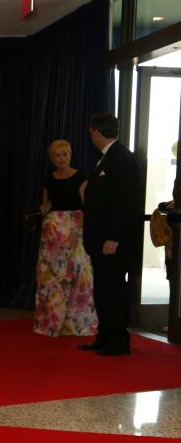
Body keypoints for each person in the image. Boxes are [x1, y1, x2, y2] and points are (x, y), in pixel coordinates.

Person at [79, 113, 139, 356]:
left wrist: (113, 237)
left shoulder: (122, 159)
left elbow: (124, 203)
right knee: (103, 289)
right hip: (100, 239)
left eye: (91, 131)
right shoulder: (106, 158)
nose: (90, 136)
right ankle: (104, 337)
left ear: (96, 131)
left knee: (113, 290)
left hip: (113, 242)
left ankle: (117, 340)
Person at [34, 139, 98, 337]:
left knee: (79, 276)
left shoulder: (80, 177)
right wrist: (35, 216)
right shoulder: (48, 179)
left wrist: (75, 232)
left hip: (74, 231)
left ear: (70, 155)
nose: (61, 159)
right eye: (57, 155)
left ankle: (76, 324)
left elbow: (87, 208)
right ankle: (51, 322)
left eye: (65, 154)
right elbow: (46, 205)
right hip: (52, 234)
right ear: (52, 158)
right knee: (50, 278)